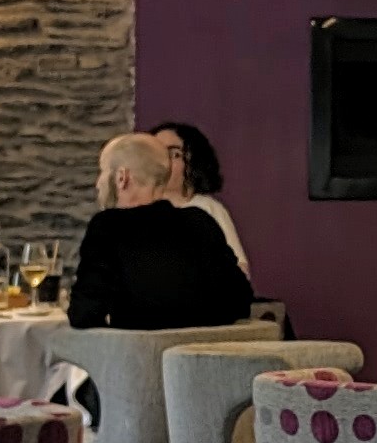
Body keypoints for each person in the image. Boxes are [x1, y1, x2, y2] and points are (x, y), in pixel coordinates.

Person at [69, 131, 252, 330]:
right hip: (204, 349)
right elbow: (240, 300)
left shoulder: (108, 226)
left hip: (139, 349)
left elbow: (84, 314)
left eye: (103, 172)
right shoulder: (200, 221)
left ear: (122, 177)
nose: (98, 183)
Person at [148, 118, 246, 267]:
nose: (163, 161)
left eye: (174, 154)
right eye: (155, 153)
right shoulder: (136, 210)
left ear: (193, 162)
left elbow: (239, 268)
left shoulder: (208, 208)